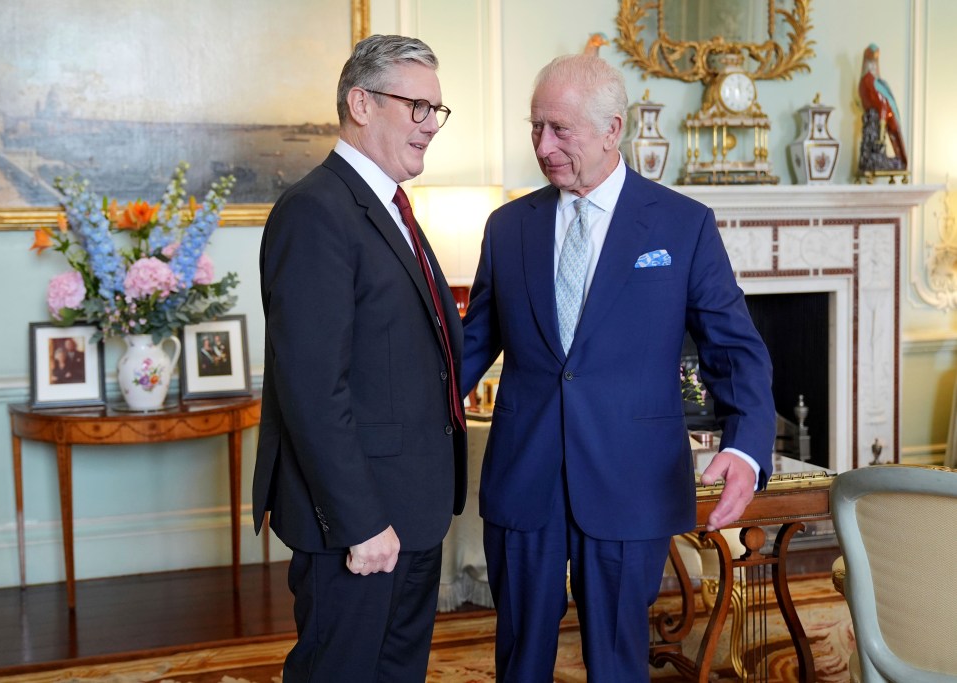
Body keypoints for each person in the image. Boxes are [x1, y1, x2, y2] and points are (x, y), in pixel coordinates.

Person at [461, 54, 776, 682]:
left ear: (612, 128)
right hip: (526, 480)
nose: (543, 146)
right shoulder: (507, 228)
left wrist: (746, 450)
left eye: (560, 129)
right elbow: (473, 347)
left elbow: (734, 350)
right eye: (535, 128)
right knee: (519, 660)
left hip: (632, 480)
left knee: (617, 664)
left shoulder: (683, 226)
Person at [252, 34, 467, 682]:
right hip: (359, 523)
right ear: (361, 103)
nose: (430, 125)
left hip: (413, 511)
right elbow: (313, 388)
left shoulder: (390, 206)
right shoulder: (316, 211)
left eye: (437, 110)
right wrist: (363, 521)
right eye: (417, 107)